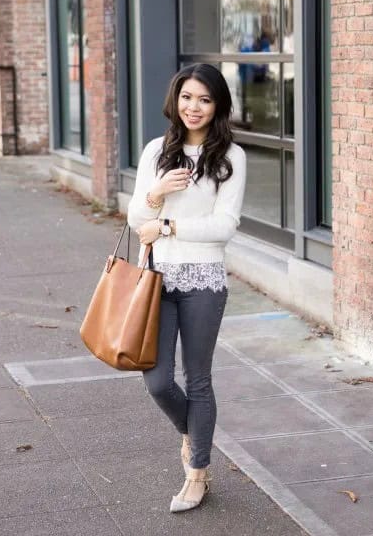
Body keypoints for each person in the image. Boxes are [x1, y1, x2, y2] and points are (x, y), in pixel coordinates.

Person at [127, 63, 247, 513]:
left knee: (198, 380)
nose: (193, 107)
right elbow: (136, 223)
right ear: (174, 100)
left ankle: (197, 472)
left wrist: (170, 225)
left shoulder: (230, 157)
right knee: (158, 382)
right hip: (156, 279)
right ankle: (193, 431)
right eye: (186, 97)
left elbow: (225, 227)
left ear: (217, 106)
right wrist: (155, 195)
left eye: (204, 99)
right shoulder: (156, 151)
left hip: (203, 280)